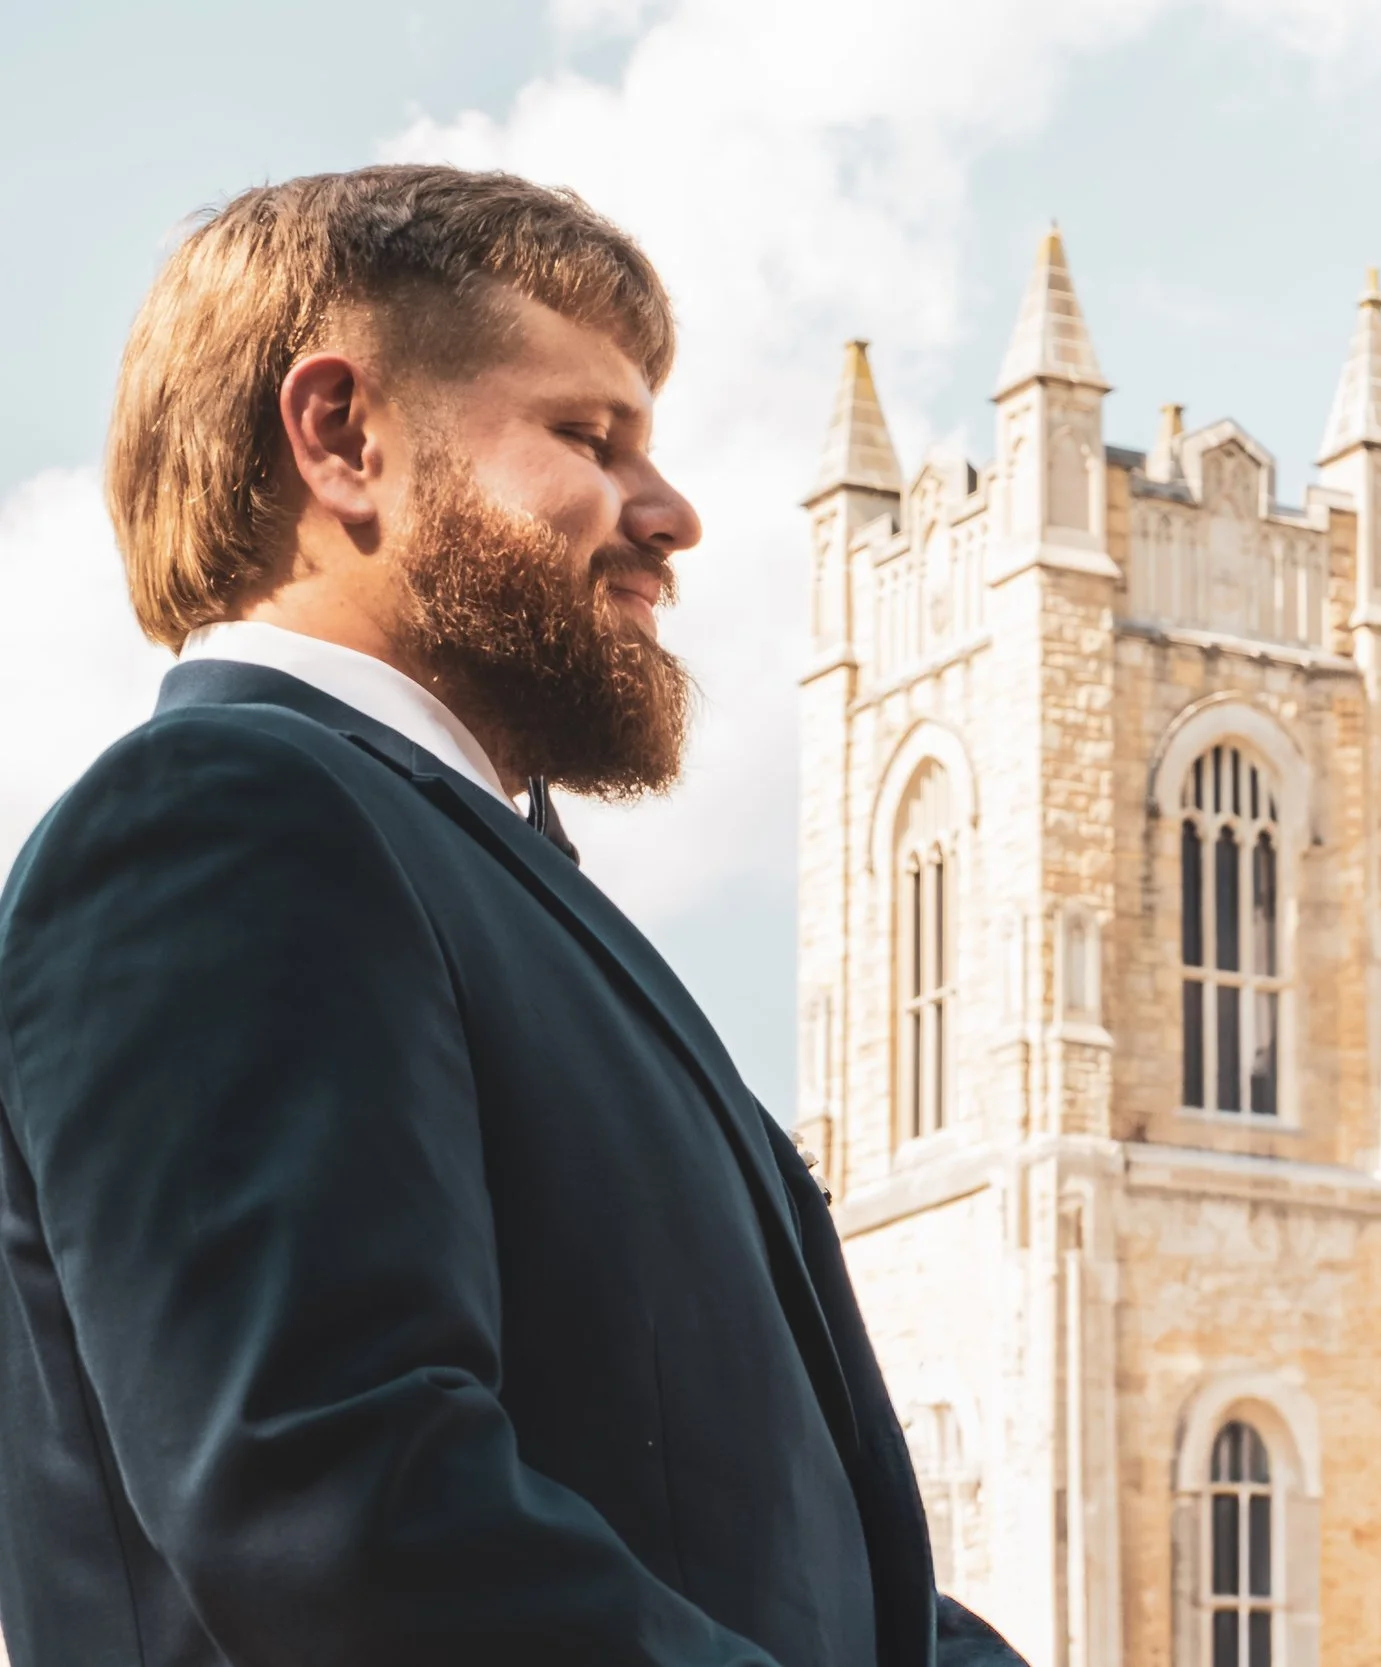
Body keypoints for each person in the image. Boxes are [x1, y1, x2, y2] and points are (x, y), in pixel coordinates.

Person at [0, 166, 1023, 1667]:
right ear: (343, 435)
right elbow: (347, 1514)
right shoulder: (219, 820)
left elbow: (847, 1606)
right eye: (588, 436)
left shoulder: (481, 883)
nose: (669, 513)